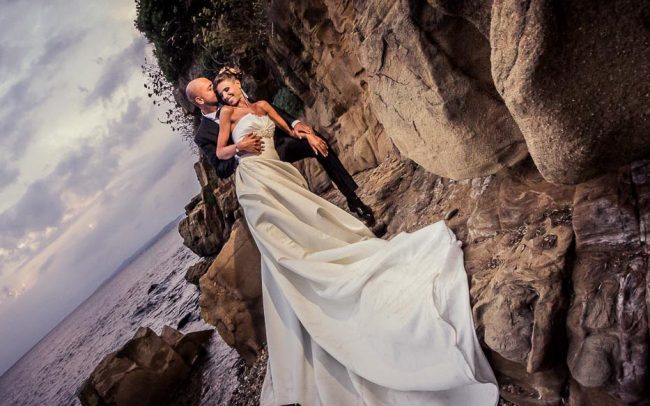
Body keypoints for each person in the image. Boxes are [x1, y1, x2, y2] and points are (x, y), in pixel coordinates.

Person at [214, 68, 499, 405]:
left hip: (278, 169)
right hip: (254, 176)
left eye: (228, 88)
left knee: (305, 219)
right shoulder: (228, 116)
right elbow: (220, 154)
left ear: (238, 82)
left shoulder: (261, 105)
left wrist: (305, 131)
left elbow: (287, 126)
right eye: (221, 93)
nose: (227, 95)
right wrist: (240, 146)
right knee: (278, 238)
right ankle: (298, 287)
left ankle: (331, 243)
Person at [185, 75, 376, 227]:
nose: (218, 92)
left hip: (280, 145)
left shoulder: (230, 97)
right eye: (210, 88)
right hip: (256, 163)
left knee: (318, 141)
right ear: (200, 99)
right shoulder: (203, 134)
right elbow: (220, 168)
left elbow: (268, 110)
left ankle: (353, 199)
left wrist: (297, 125)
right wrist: (240, 150)